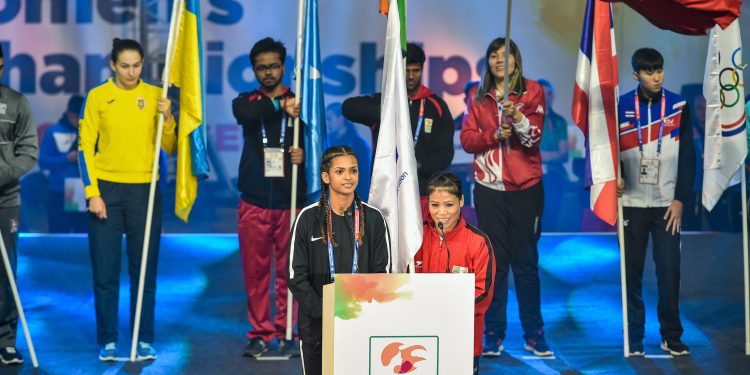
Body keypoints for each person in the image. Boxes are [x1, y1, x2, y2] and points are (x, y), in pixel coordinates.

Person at [78, 38, 176, 361]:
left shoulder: (155, 96)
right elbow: (84, 150)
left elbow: (172, 147)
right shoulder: (97, 97)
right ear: (112, 65)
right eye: (125, 66)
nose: (131, 72)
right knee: (105, 272)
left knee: (144, 271)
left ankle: (143, 338)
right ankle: (107, 339)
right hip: (106, 190)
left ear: (143, 64)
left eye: (137, 65)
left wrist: (170, 118)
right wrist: (92, 193)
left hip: (145, 191)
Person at [460, 37, 553, 357]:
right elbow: (468, 140)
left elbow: (533, 139)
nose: (500, 60)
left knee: (526, 264)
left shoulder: (532, 91)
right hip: (488, 190)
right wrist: (492, 135)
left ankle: (534, 333)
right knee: (494, 265)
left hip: (525, 189)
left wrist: (517, 117)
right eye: (493, 56)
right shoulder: (476, 94)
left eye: (506, 55)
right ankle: (493, 334)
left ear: (517, 59)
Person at [617, 48, 695, 356]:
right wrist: (614, 180)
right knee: (631, 275)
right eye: (649, 72)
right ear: (636, 75)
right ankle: (634, 337)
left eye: (659, 70)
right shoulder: (620, 104)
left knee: (669, 272)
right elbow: (606, 153)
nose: (657, 76)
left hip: (666, 206)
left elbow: (689, 156)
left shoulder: (679, 105)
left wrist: (680, 199)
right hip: (631, 205)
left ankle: (671, 336)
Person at [231, 37, 305, 358]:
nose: (268, 72)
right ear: (254, 70)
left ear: (283, 66)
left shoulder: (301, 101)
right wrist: (278, 105)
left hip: (292, 201)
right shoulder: (247, 101)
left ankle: (287, 331)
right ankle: (260, 332)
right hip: (255, 202)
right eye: (261, 68)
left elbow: (317, 139)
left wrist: (305, 155)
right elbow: (248, 113)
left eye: (274, 66)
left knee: (290, 273)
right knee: (257, 272)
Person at [288, 146, 391, 375]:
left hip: (361, 323)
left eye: (353, 171)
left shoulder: (373, 219)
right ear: (326, 177)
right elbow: (296, 276)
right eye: (340, 171)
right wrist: (325, 310)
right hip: (317, 326)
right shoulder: (307, 218)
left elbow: (382, 273)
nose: (348, 177)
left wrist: (357, 311)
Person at [342, 43, 454, 219]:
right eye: (406, 70)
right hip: (386, 191)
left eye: (415, 71)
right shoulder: (385, 101)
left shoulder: (436, 106)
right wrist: (385, 112)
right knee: (385, 243)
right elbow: (348, 107)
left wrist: (420, 167)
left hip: (422, 191)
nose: (410, 76)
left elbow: (446, 153)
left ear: (422, 69)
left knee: (420, 245)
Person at [414, 171, 494, 375]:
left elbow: (483, 294)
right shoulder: (414, 238)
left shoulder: (478, 242)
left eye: (449, 205)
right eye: (435, 205)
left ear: (461, 201)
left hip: (463, 340)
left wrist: (447, 312)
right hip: (420, 338)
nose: (441, 212)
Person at [0, 44, 39, 365]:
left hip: (6, 201)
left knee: (6, 271)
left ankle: (6, 338)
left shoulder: (16, 103)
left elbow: (28, 153)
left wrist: (2, 175)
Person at [39, 95, 87, 233]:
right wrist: (66, 158)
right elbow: (43, 162)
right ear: (68, 113)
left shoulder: (89, 131)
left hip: (79, 189)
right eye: (75, 116)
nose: (78, 121)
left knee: (80, 234)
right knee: (59, 232)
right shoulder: (53, 131)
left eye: (81, 116)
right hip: (58, 189)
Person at [537, 79, 569, 231]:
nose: (545, 97)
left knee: (551, 217)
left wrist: (539, 155)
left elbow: (563, 153)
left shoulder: (559, 121)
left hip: (554, 175)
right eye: (541, 93)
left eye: (548, 93)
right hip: (531, 176)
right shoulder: (524, 120)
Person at [325, 102, 371, 200]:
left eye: (330, 119)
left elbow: (363, 175)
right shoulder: (328, 139)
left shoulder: (358, 143)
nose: (327, 123)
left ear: (341, 118)